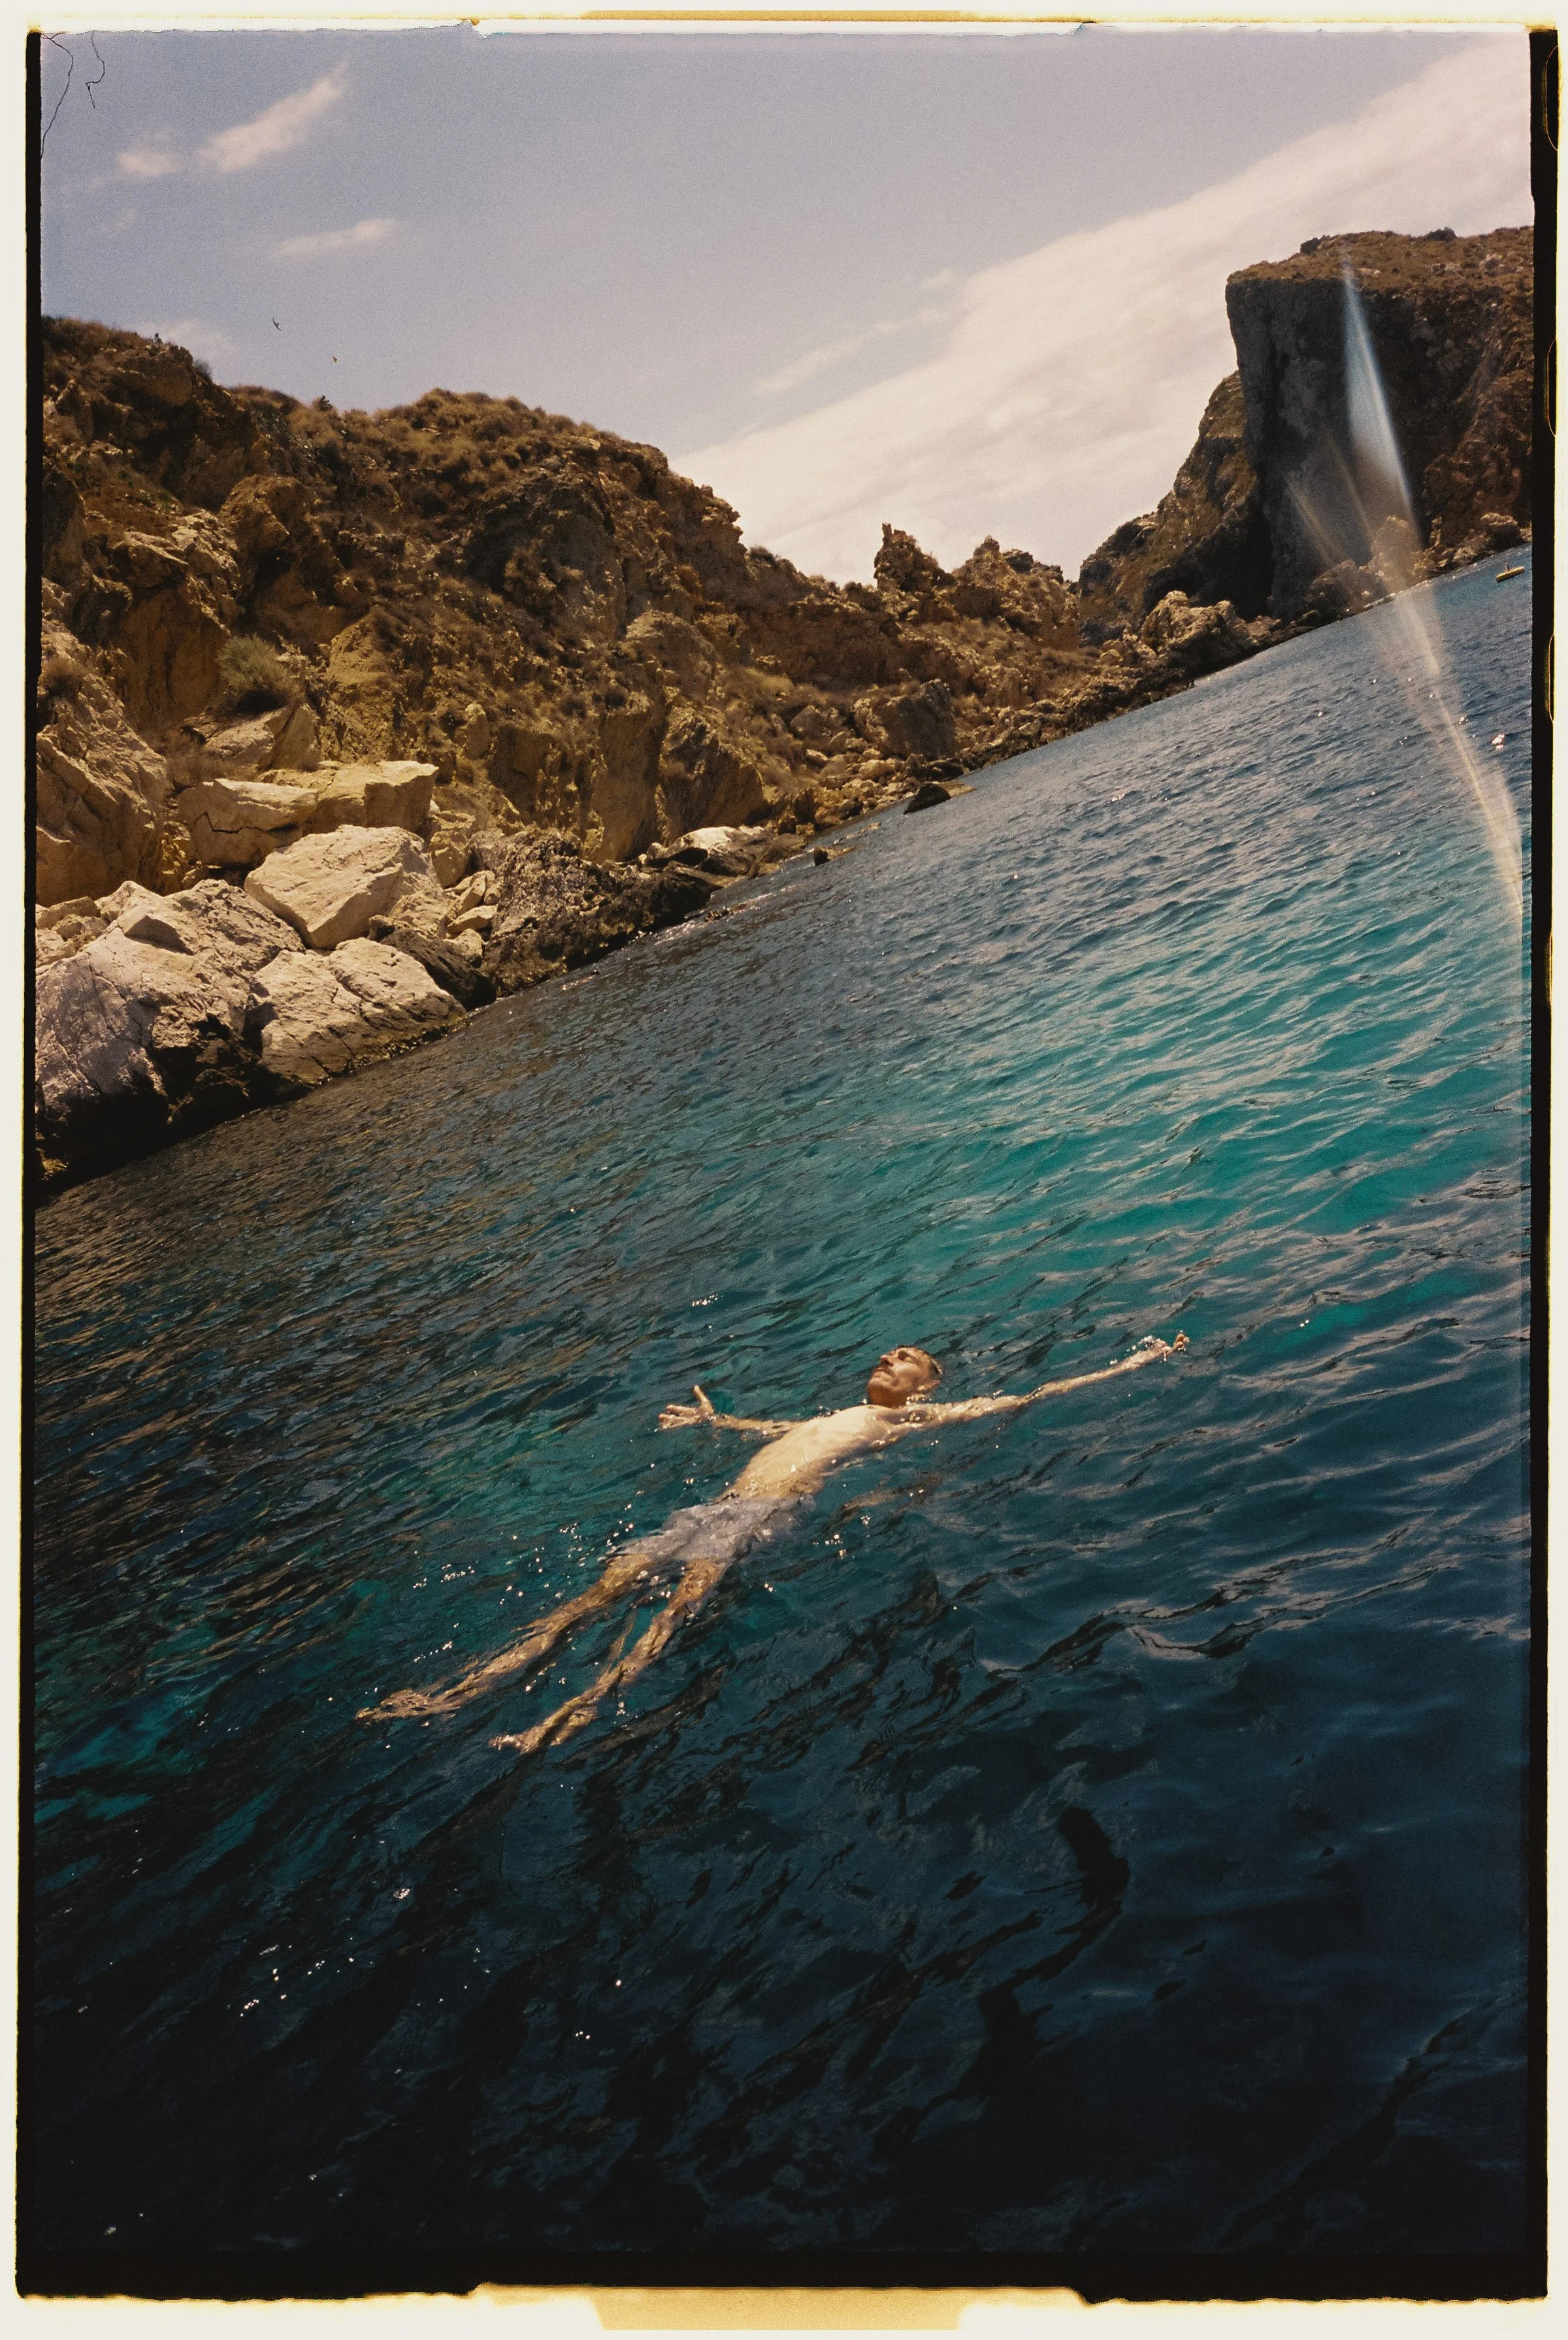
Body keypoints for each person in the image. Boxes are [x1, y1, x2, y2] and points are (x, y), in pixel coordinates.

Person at [362, 1334, 1188, 1755]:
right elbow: (771, 1431)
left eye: (906, 1358)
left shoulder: (913, 1418)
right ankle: (459, 1691)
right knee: (592, 1598)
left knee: (665, 1620)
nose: (889, 1357)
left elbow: (1028, 1395)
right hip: (714, 1508)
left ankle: (566, 1718)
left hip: (757, 1522)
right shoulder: (835, 1415)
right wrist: (714, 1422)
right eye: (890, 1351)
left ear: (927, 1386)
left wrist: (1128, 1364)